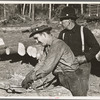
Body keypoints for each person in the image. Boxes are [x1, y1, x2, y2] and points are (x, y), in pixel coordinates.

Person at [21, 25, 85, 96]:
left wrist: (31, 77)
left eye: (37, 38)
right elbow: (41, 62)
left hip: (72, 77)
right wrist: (30, 74)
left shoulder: (57, 44)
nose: (36, 42)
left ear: (44, 35)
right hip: (62, 76)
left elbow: (47, 67)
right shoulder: (47, 47)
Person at [58, 6, 100, 96]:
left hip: (83, 65)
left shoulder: (84, 31)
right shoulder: (62, 34)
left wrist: (85, 57)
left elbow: (96, 47)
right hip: (68, 64)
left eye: (62, 20)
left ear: (69, 20)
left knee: (81, 90)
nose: (60, 23)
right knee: (66, 88)